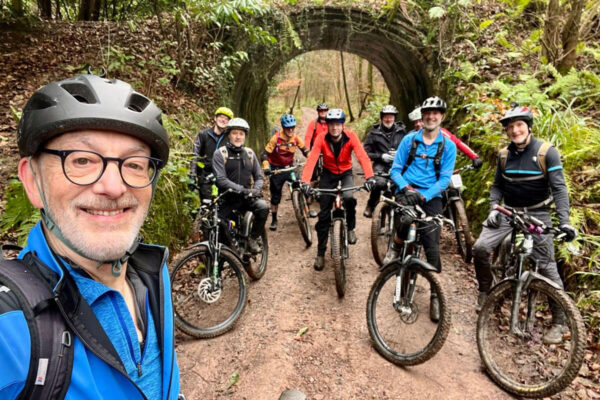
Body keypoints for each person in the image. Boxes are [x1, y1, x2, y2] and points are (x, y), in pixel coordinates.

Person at [0, 74, 181, 399]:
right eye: (82, 160)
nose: (114, 187)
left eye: (135, 163)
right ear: (32, 181)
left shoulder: (155, 274)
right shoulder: (10, 325)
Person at [472, 104, 577, 344]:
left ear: (528, 127)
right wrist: (493, 208)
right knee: (479, 248)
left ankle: (560, 322)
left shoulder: (546, 152)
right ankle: (485, 291)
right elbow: (497, 186)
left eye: (519, 125)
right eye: (510, 127)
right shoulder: (503, 155)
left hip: (538, 213)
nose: (515, 131)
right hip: (509, 212)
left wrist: (565, 222)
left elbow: (559, 188)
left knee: (547, 266)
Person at [388, 96, 457, 321]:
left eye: (435, 113)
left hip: (431, 195)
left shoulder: (448, 146)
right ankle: (396, 247)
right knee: (405, 222)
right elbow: (395, 169)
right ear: (422, 115)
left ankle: (435, 296)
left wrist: (424, 195)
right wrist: (406, 189)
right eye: (427, 112)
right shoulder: (409, 140)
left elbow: (445, 179)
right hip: (407, 189)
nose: (431, 116)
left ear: (442, 117)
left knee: (432, 244)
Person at [300, 109, 376, 271]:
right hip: (328, 175)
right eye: (331, 125)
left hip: (346, 173)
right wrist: (305, 181)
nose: (335, 128)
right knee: (324, 214)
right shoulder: (321, 138)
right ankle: (320, 253)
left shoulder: (351, 136)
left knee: (349, 197)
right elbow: (312, 159)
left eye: (338, 124)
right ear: (327, 126)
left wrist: (369, 177)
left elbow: (362, 156)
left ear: (343, 125)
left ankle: (350, 228)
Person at [212, 117, 268, 253]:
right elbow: (221, 180)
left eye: (241, 134)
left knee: (263, 208)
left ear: (245, 136)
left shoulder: (249, 153)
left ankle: (253, 238)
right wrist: (242, 190)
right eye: (234, 133)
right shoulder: (220, 154)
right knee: (220, 232)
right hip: (227, 199)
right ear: (229, 135)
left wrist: (255, 189)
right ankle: (220, 263)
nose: (238, 137)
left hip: (246, 199)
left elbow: (259, 177)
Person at [261, 114, 309, 231]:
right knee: (275, 195)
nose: (291, 130)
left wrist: (311, 159)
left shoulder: (296, 138)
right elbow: (264, 154)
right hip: (277, 169)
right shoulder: (276, 138)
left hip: (289, 167)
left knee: (302, 185)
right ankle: (274, 219)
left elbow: (305, 150)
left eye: (293, 127)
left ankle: (306, 208)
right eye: (288, 128)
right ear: (283, 127)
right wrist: (267, 167)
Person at [362, 104, 408, 217]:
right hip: (380, 165)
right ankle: (371, 204)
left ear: (394, 118)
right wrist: (381, 156)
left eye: (391, 117)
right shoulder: (374, 133)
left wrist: (399, 154)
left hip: (398, 164)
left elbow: (409, 149)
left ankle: (402, 211)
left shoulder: (402, 132)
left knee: (401, 185)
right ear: (382, 118)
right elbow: (365, 153)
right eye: (386, 117)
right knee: (378, 183)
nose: (388, 119)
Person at [408, 106, 483, 169]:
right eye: (415, 122)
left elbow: (457, 143)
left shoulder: (441, 133)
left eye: (420, 121)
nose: (417, 124)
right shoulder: (410, 137)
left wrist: (474, 157)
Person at [190, 106, 234, 200]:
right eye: (221, 117)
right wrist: (192, 174)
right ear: (215, 118)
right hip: (205, 175)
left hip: (224, 177)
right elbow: (195, 154)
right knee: (207, 204)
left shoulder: (230, 138)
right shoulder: (203, 135)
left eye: (226, 119)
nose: (223, 120)